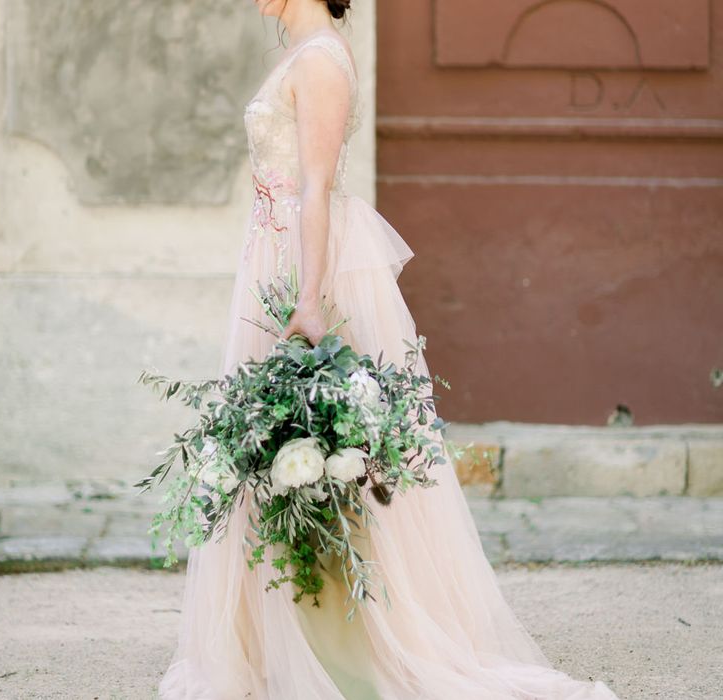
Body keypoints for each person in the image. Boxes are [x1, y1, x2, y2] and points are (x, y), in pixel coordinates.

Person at [158, 1, 622, 697]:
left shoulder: (320, 61)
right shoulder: (305, 51)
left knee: (318, 450)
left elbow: (316, 186)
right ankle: (275, 638)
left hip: (301, 265)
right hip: (274, 256)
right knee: (270, 451)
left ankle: (347, 639)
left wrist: (308, 300)